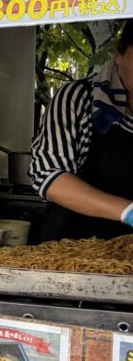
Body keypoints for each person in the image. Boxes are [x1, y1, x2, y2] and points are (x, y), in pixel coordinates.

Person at [30, 19, 133, 241]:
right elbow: (50, 176)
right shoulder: (79, 99)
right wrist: (128, 211)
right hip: (73, 253)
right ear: (119, 52)